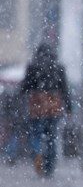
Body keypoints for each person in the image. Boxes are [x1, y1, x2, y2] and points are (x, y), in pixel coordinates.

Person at [20, 43, 72, 177]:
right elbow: (65, 89)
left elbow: (24, 87)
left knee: (36, 134)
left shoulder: (33, 66)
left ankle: (37, 157)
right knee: (52, 137)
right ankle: (49, 167)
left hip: (37, 104)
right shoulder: (58, 67)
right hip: (54, 105)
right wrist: (69, 108)